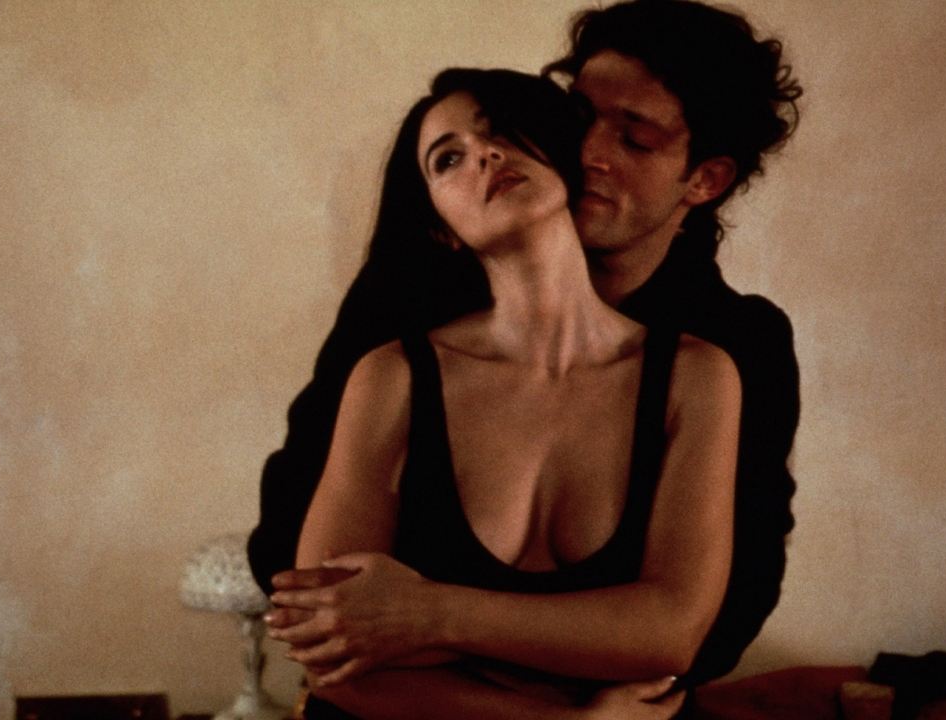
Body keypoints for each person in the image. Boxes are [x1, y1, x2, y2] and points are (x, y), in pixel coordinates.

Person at [255, 0, 801, 692]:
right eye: (579, 116)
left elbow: (709, 623)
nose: (589, 152)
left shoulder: (728, 349)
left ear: (705, 179)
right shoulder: (407, 312)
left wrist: (428, 616)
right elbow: (304, 579)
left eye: (635, 139)